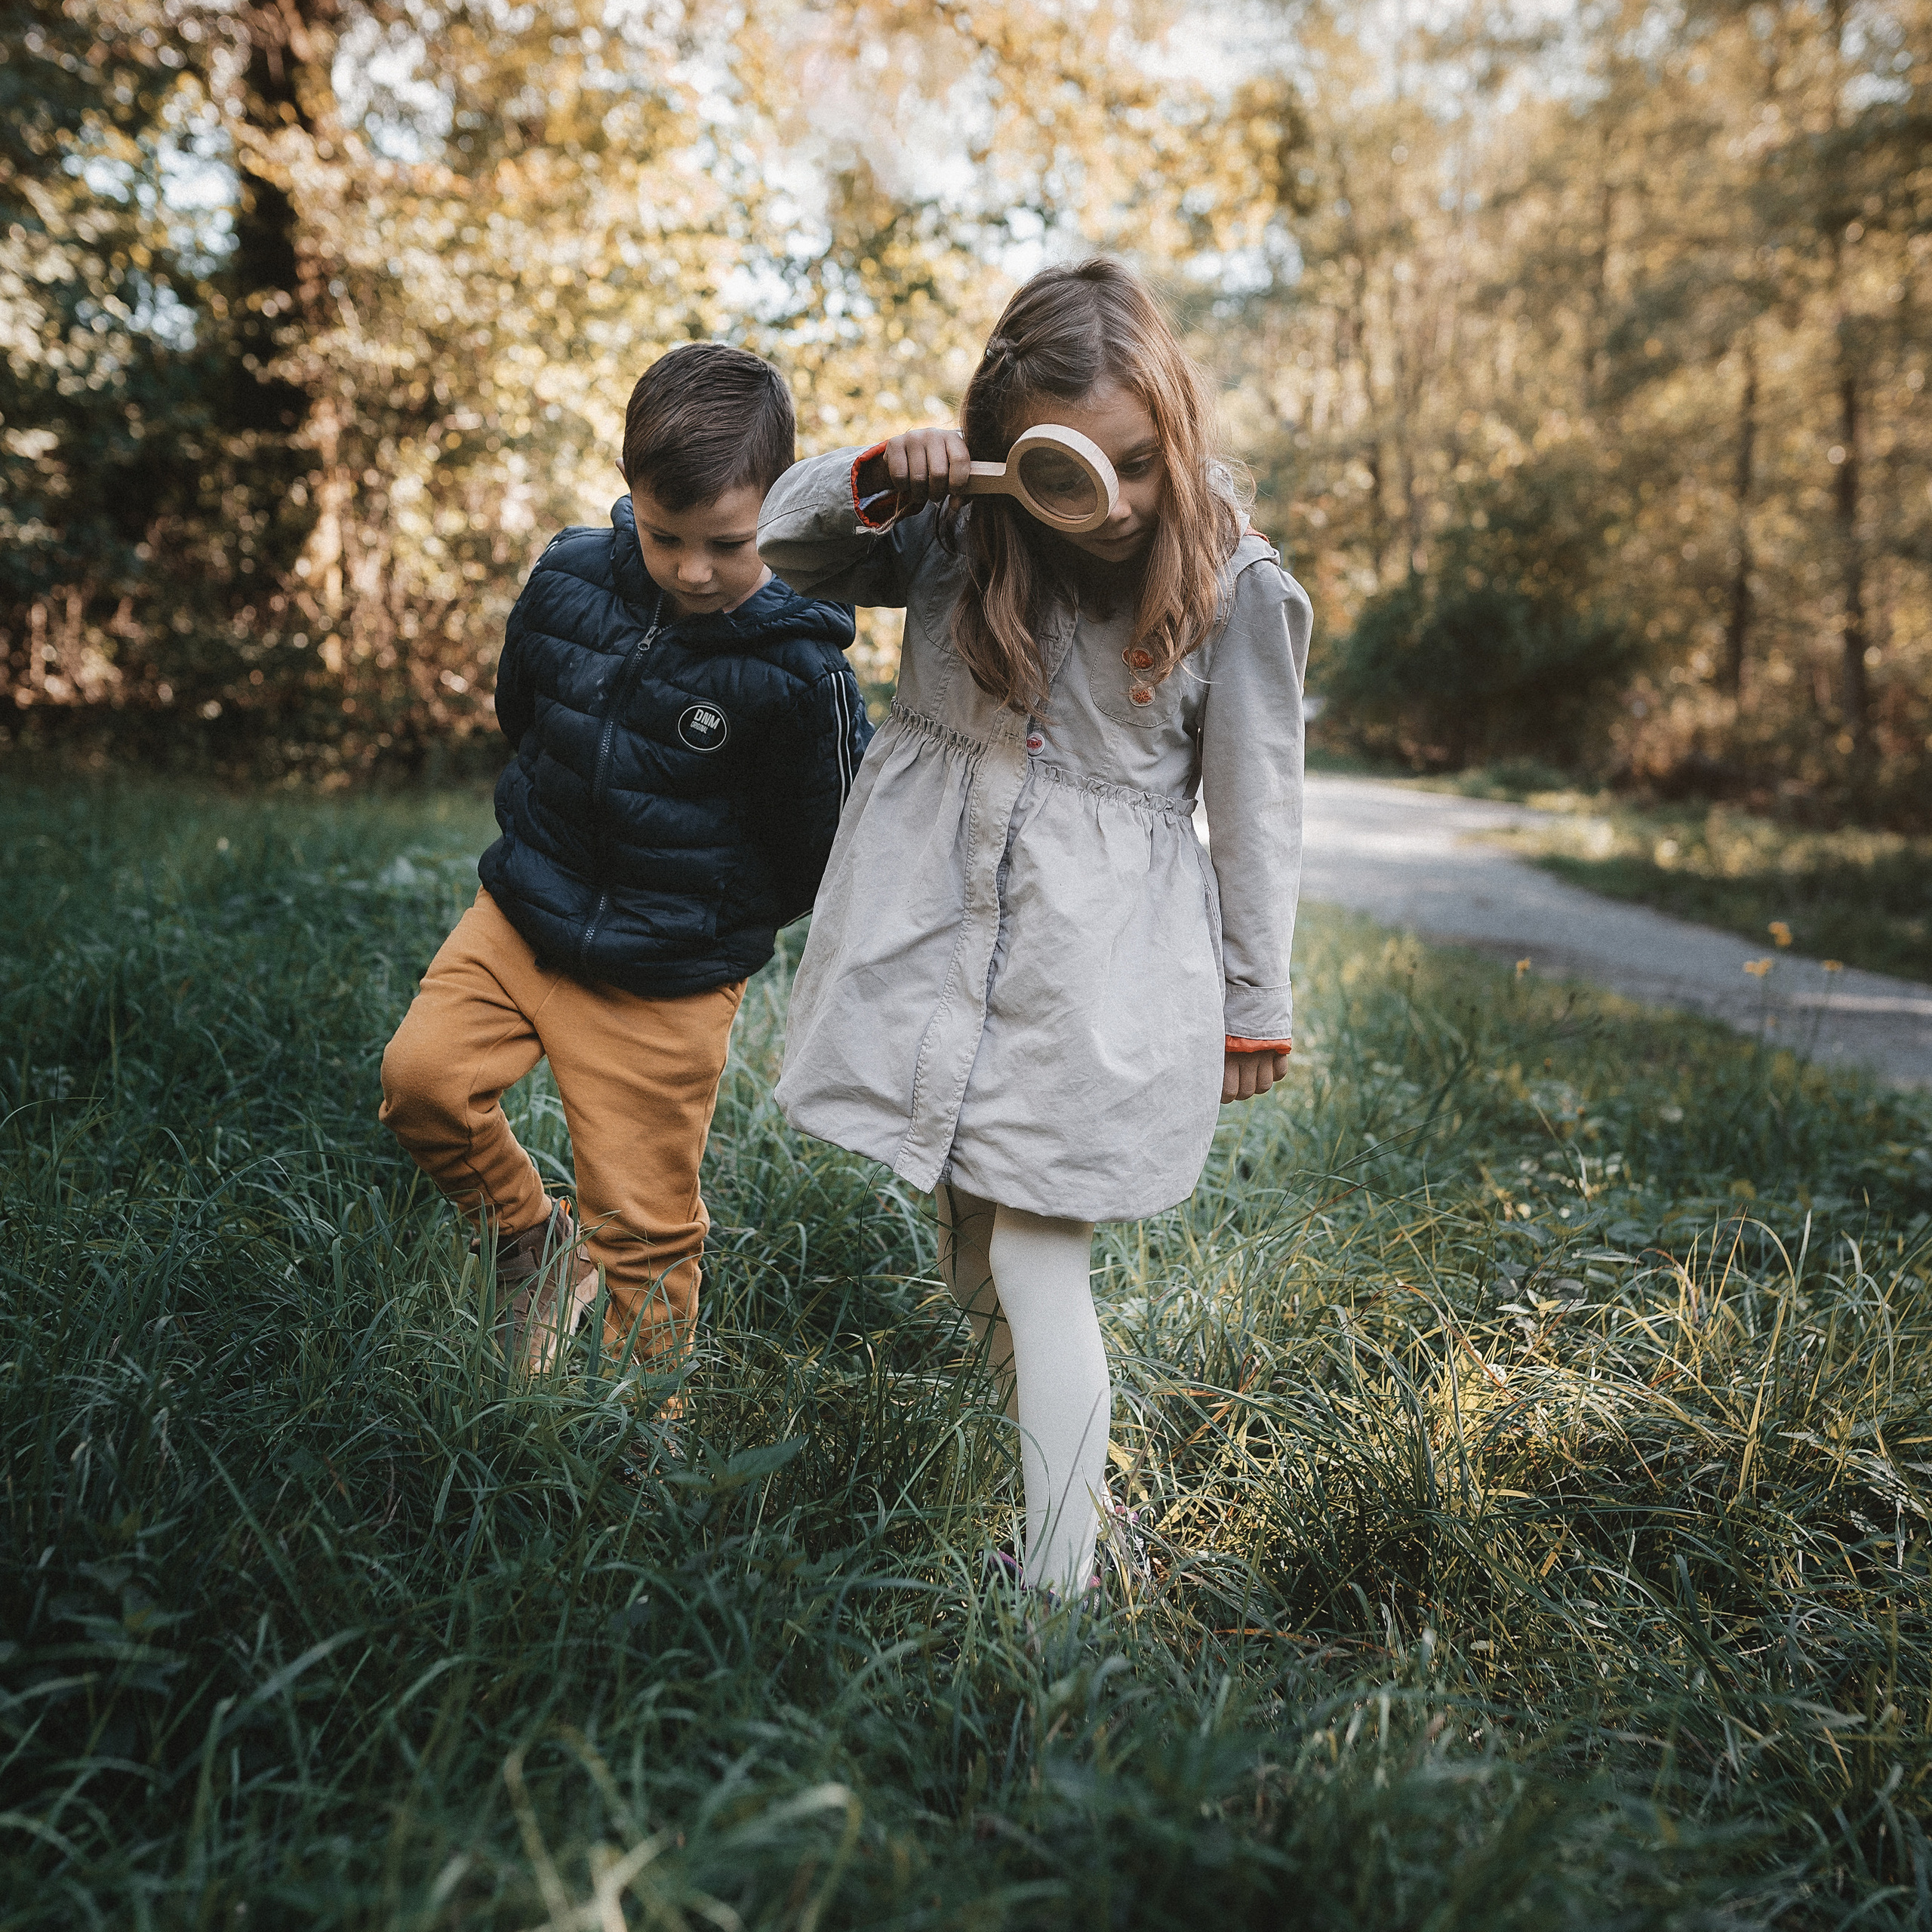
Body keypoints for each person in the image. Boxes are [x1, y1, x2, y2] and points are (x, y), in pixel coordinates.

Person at [758, 260, 1310, 1597]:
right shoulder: (959, 530)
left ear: (1172, 432)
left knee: (1029, 1245)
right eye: (1073, 471)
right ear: (1013, 457)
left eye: (1136, 463)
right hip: (944, 938)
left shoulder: (1233, 589)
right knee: (973, 1252)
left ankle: (1055, 1587)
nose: (1111, 506)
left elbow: (1258, 809)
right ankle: (1074, 1508)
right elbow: (789, 542)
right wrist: (890, 470)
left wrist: (1256, 999)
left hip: (1089, 974)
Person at [381, 343, 869, 1381]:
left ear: (778, 515)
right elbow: (528, 709)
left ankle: (646, 1442)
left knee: (641, 1224)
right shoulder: (567, 578)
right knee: (422, 1083)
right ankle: (529, 1239)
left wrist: (717, 919)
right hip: (525, 908)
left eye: (727, 544)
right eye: (666, 536)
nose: (694, 569)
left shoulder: (799, 670)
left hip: (668, 967)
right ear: (630, 495)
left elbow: (824, 838)